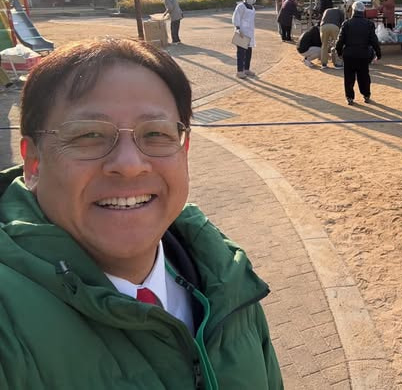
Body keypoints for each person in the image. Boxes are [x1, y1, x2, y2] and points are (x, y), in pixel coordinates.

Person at [0, 38, 283, 388]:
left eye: (155, 134)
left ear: (184, 151)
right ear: (33, 162)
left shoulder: (225, 277)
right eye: (89, 135)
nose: (130, 164)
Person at [336, 1, 381, 105]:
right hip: (363, 54)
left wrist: (339, 52)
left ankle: (349, 97)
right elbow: (374, 41)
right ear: (363, 11)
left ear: (353, 10)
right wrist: (378, 53)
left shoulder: (346, 24)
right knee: (364, 76)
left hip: (349, 54)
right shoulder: (369, 24)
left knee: (349, 78)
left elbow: (340, 40)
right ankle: (366, 95)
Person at [232, 0, 257, 79]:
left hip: (249, 33)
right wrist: (238, 28)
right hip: (242, 31)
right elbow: (236, 17)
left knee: (248, 52)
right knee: (241, 53)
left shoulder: (252, 8)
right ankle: (239, 71)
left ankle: (246, 69)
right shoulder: (241, 6)